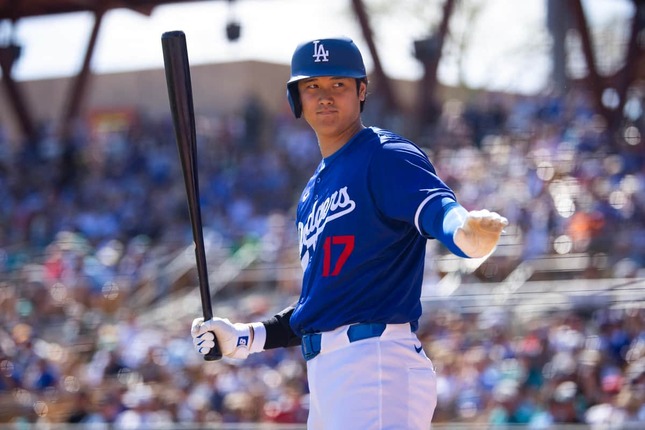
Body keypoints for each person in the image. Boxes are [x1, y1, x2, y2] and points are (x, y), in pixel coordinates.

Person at [191, 36, 508, 429]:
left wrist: (463, 231)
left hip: (376, 362)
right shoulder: (312, 192)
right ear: (297, 100)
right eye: (312, 87)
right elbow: (323, 303)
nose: (325, 96)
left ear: (361, 91)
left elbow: (439, 209)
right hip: (329, 374)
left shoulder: (384, 154)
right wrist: (246, 336)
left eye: (338, 84)